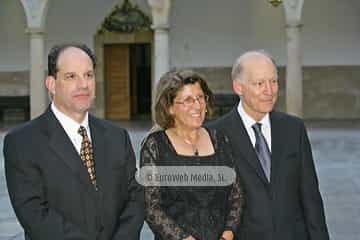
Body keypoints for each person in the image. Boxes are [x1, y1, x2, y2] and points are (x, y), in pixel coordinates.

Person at [3, 43, 144, 240]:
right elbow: (35, 215)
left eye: (88, 75)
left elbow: (135, 198)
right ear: (51, 84)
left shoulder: (117, 137)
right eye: (71, 76)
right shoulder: (22, 143)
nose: (83, 84)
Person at [209, 51, 329, 240]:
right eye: (259, 83)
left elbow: (311, 198)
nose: (270, 90)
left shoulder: (293, 129)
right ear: (238, 87)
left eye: (273, 81)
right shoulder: (214, 134)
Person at [140, 69, 244, 240]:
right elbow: (151, 207)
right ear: (170, 107)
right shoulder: (155, 146)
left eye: (200, 97)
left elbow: (236, 195)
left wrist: (228, 234)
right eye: (188, 100)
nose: (197, 106)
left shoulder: (219, 139)